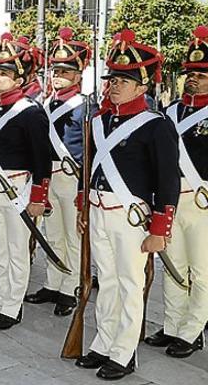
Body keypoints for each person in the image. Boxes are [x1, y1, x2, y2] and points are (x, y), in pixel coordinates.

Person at [74, 29, 180, 380]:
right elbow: (89, 169)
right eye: (113, 78)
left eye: (124, 80)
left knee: (130, 284)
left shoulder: (156, 126)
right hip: (99, 211)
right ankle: (104, 342)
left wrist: (160, 231)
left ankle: (124, 352)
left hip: (130, 217)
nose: (114, 85)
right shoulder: (99, 121)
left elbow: (168, 182)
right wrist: (83, 209)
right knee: (106, 281)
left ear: (142, 87)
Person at [0, 33, 51, 331]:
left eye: (4, 74)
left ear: (20, 79)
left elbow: (42, 159)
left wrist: (38, 197)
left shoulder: (30, 112)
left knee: (17, 249)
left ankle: (13, 304)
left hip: (17, 187)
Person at [143, 26, 208, 359]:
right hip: (171, 199)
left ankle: (193, 329)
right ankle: (172, 324)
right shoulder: (168, 114)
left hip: (202, 202)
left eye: (201, 73)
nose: (193, 79)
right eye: (190, 73)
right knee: (173, 265)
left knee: (202, 269)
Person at [25, 27, 90, 316]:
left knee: (71, 236)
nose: (58, 76)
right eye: (55, 71)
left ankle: (70, 288)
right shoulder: (46, 104)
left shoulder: (86, 107)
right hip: (49, 175)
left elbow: (90, 153)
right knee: (52, 234)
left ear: (78, 75)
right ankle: (53, 282)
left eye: (65, 71)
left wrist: (82, 191)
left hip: (71, 176)